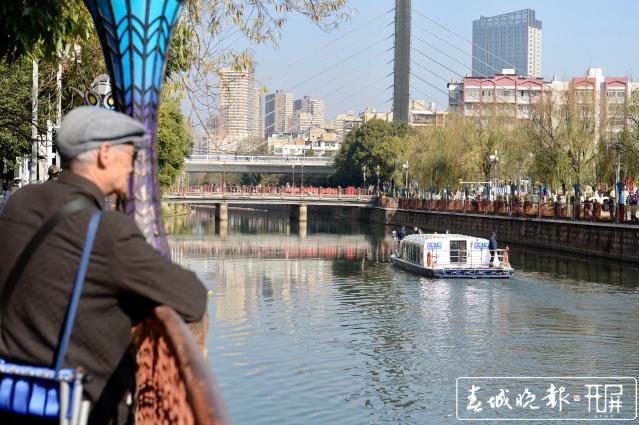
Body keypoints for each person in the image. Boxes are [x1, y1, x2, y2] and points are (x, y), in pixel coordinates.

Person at [0, 106, 207, 424]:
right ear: (105, 153)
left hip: (15, 397)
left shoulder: (20, 202)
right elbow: (192, 296)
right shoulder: (107, 230)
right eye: (130, 153)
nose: (133, 165)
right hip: (81, 408)